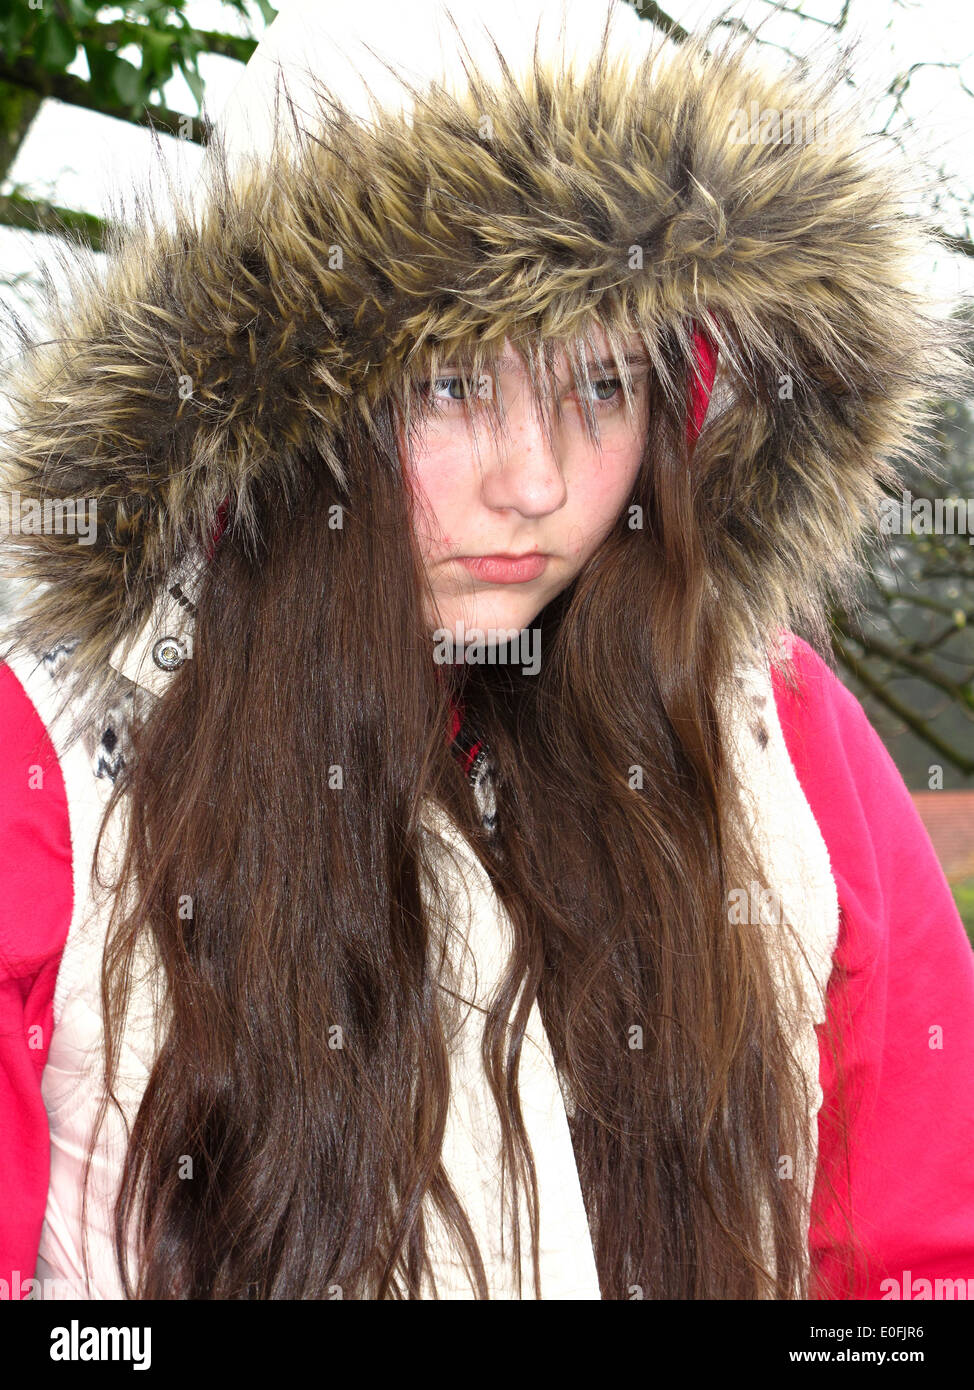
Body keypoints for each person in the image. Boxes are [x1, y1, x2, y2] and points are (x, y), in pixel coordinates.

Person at [1, 0, 972, 1301]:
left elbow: (918, 1261)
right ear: (285, 406)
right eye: (452, 383)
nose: (537, 481)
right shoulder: (56, 769)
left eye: (603, 384)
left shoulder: (775, 736)